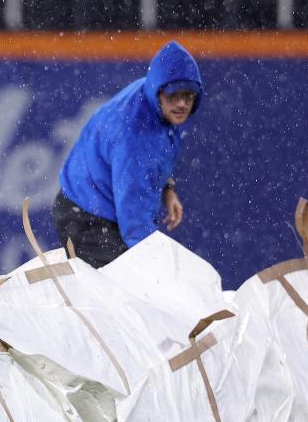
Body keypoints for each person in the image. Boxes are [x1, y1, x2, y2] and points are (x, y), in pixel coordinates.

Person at [53, 40, 203, 268]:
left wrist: (167, 189)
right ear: (159, 92)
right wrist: (158, 268)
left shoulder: (153, 100)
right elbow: (134, 221)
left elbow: (154, 162)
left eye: (188, 95)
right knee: (127, 293)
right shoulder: (137, 136)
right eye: (174, 96)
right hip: (88, 217)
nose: (182, 104)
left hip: (92, 207)